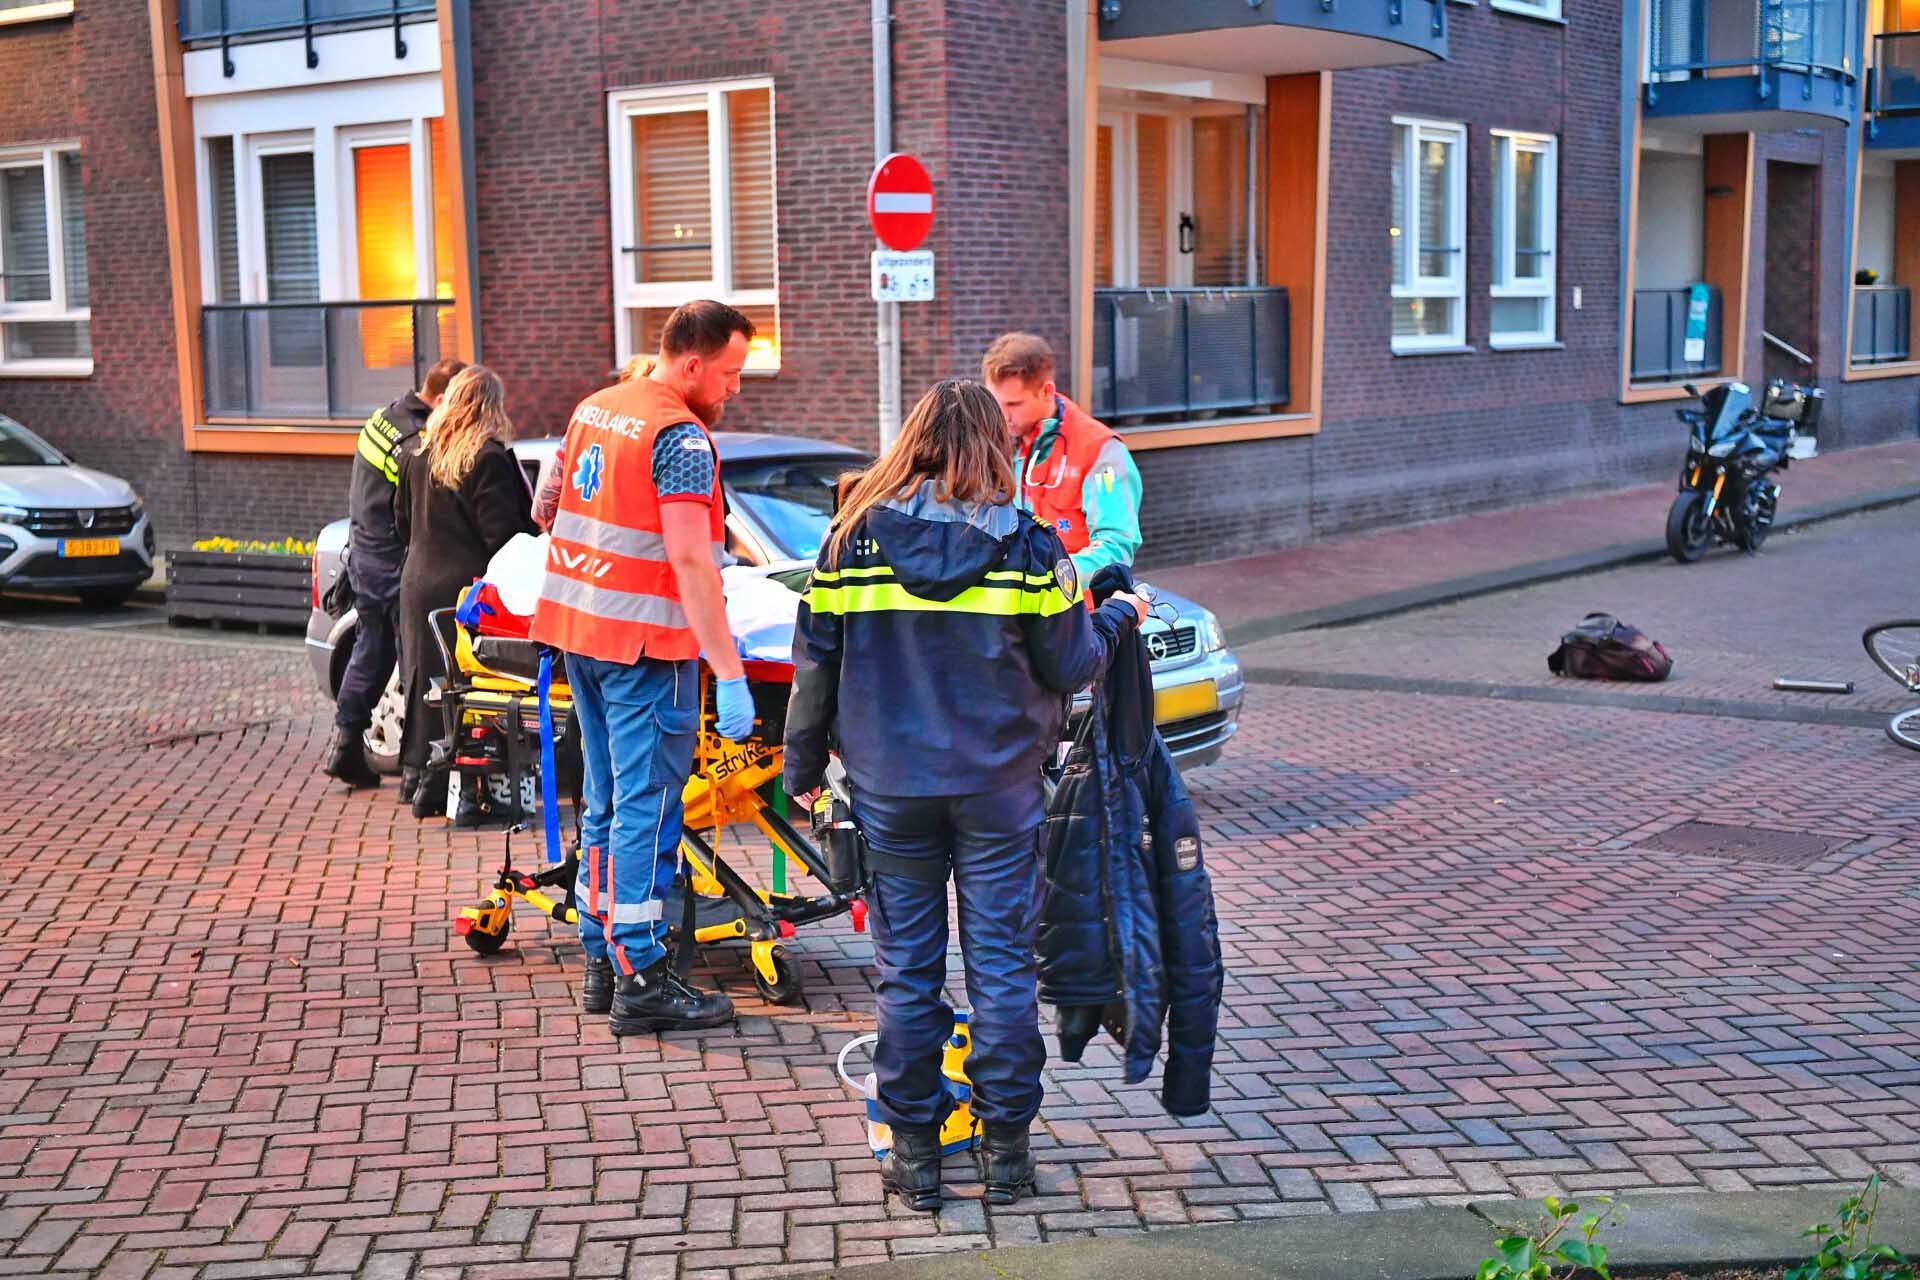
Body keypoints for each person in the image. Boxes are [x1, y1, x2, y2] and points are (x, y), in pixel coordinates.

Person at [782, 379, 1148, 1212]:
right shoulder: (1031, 545)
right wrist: (1120, 612)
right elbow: (1073, 665)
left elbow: (817, 667)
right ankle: (1006, 1152)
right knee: (1003, 972)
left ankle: (914, 1152)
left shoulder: (850, 542)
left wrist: (799, 770)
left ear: (913, 441)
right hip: (999, 790)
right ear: (994, 446)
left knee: (906, 975)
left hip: (891, 789)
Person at [530, 300, 759, 1036]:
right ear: (692, 365)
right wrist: (728, 670)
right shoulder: (681, 438)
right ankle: (642, 976)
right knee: (648, 809)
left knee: (602, 802)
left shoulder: (594, 408)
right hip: (646, 652)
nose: (733, 390)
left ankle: (602, 955)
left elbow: (547, 509)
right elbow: (693, 557)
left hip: (580, 637)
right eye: (728, 375)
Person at [395, 366, 537, 818]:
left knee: (423, 677)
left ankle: (416, 775)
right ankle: (448, 784)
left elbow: (400, 520)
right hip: (466, 586)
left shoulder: (417, 452)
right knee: (466, 687)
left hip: (418, 578)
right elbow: (502, 535)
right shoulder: (487, 457)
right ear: (492, 406)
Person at [324, 357, 466, 792]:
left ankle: (347, 744)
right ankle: (413, 771)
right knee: (414, 664)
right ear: (441, 398)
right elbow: (413, 507)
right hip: (393, 562)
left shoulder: (381, 419)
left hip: (365, 554)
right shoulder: (416, 440)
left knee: (373, 651)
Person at [982, 332, 1143, 585]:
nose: (1003, 416)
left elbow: (1116, 547)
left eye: (1014, 404)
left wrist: (1048, 578)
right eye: (996, 403)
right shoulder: (996, 442)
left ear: (1047, 391)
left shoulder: (1101, 452)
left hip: (1077, 613)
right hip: (1016, 609)